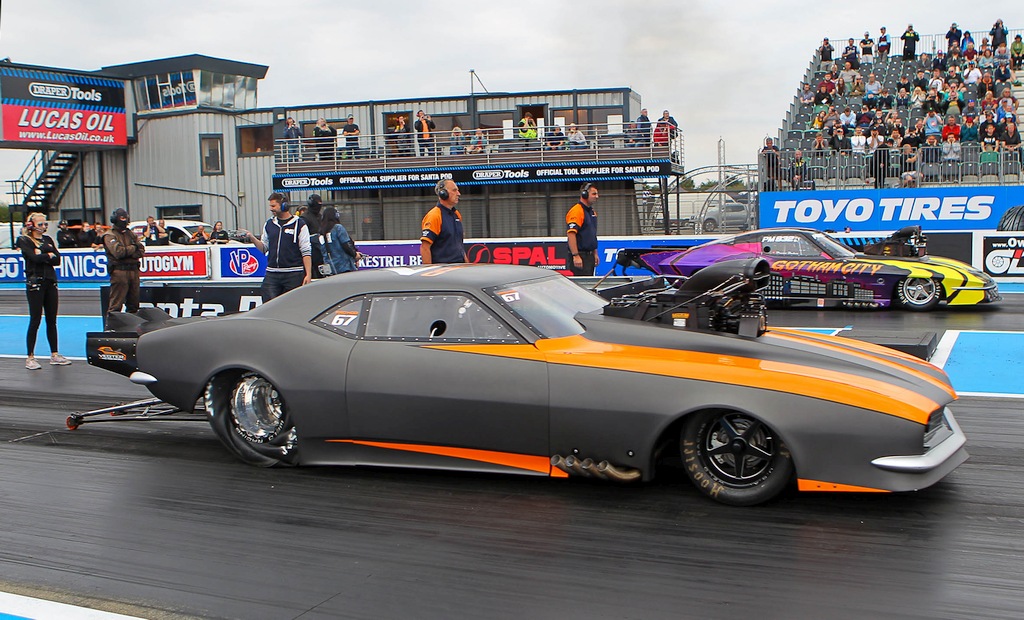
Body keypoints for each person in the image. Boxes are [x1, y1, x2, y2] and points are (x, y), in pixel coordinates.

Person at [18, 213, 70, 370]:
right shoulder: (24, 240)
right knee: (35, 319)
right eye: (40, 224)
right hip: (35, 283)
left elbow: (57, 259)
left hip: (50, 281)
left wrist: (42, 254)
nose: (43, 227)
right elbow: (34, 258)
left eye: (45, 224)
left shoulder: (47, 239)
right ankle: (30, 357)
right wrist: (47, 254)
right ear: (31, 225)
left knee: (52, 320)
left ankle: (54, 354)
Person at [246, 193, 312, 302]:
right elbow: (264, 248)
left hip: (294, 273)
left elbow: (306, 251)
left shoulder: (299, 224)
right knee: (268, 305)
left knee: (293, 305)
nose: (271, 209)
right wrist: (252, 238)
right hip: (272, 273)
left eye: (273, 206)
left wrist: (308, 274)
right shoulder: (269, 224)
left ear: (284, 206)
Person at [103, 208, 145, 319]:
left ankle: (132, 325)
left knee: (134, 304)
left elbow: (141, 251)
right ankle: (112, 326)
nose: (124, 220)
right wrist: (133, 248)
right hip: (119, 272)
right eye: (122, 218)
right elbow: (118, 252)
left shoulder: (131, 234)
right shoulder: (109, 235)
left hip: (134, 271)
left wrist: (128, 251)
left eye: (125, 218)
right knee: (116, 304)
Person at [420, 179, 466, 264]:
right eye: (454, 190)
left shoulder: (456, 214)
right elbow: (425, 248)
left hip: (459, 267)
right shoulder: (434, 215)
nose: (458, 194)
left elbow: (460, 246)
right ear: (443, 193)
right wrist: (429, 270)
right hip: (443, 269)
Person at [565, 183, 599, 277]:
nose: (597, 196)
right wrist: (575, 255)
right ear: (584, 194)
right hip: (580, 255)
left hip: (589, 256)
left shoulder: (592, 212)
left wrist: (595, 253)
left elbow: (592, 235)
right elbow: (571, 234)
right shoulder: (576, 211)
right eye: (594, 194)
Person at [318, 207, 359, 275]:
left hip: (329, 268)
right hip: (343, 267)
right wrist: (355, 255)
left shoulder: (321, 232)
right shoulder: (338, 228)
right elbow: (346, 245)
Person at [301, 194, 325, 279]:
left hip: (321, 252)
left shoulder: (321, 217)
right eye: (317, 203)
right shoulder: (304, 218)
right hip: (310, 253)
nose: (319, 206)